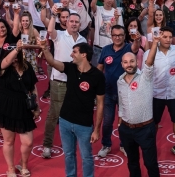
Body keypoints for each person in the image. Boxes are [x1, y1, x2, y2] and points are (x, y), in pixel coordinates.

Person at [40, 41, 106, 177]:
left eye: (74, 52)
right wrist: (44, 48)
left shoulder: (98, 76)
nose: (71, 55)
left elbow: (100, 104)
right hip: (65, 121)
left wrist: (97, 129)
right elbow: (52, 61)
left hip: (84, 125)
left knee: (86, 157)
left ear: (84, 55)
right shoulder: (70, 68)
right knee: (69, 155)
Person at [41, 9, 88, 159]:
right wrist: (54, 15)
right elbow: (50, 29)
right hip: (59, 82)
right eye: (71, 21)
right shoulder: (59, 35)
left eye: (76, 22)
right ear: (66, 23)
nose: (73, 24)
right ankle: (47, 145)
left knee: (72, 114)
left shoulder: (83, 41)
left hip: (76, 83)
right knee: (54, 114)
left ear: (80, 25)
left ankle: (68, 143)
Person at [142, 26, 175, 159]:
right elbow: (144, 73)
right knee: (153, 122)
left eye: (170, 37)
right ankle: (151, 147)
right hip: (156, 94)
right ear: (159, 37)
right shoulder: (149, 52)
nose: (168, 39)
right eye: (164, 37)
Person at [0, 40, 39, 177]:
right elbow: (5, 61)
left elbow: (33, 87)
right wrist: (16, 49)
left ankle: (23, 165)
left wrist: (36, 106)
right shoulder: (4, 67)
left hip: (23, 106)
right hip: (5, 106)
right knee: (9, 140)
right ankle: (10, 168)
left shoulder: (27, 66)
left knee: (28, 142)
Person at [117, 30, 160, 177]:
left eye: (132, 61)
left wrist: (154, 43)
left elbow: (149, 63)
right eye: (126, 62)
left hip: (145, 129)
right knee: (132, 163)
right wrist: (120, 119)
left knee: (150, 163)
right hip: (126, 129)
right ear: (122, 64)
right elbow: (121, 102)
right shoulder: (120, 81)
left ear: (137, 62)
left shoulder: (145, 77)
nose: (129, 64)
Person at [96, 24, 140, 158]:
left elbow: (135, 48)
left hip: (126, 93)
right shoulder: (105, 50)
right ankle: (106, 145)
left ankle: (124, 145)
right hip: (108, 92)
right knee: (108, 121)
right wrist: (97, 85)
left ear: (124, 36)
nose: (117, 37)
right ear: (111, 36)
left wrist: (137, 40)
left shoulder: (128, 48)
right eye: (114, 35)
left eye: (120, 35)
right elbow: (99, 68)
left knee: (125, 121)